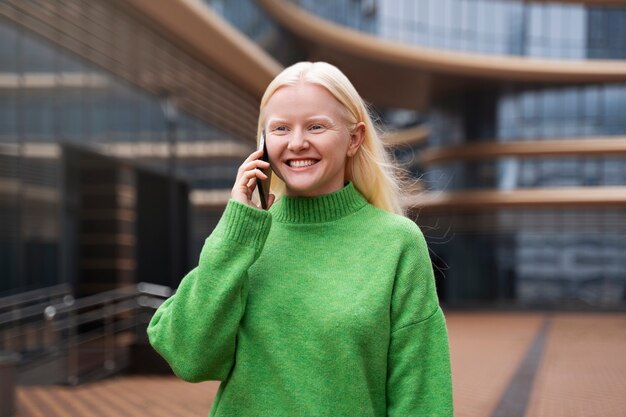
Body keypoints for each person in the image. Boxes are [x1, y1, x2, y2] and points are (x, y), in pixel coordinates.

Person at [147, 61, 453, 417]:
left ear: (354, 138)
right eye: (280, 128)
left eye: (316, 126)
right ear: (262, 142)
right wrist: (236, 232)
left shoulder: (397, 242)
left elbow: (421, 396)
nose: (296, 143)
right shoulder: (243, 237)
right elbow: (189, 357)